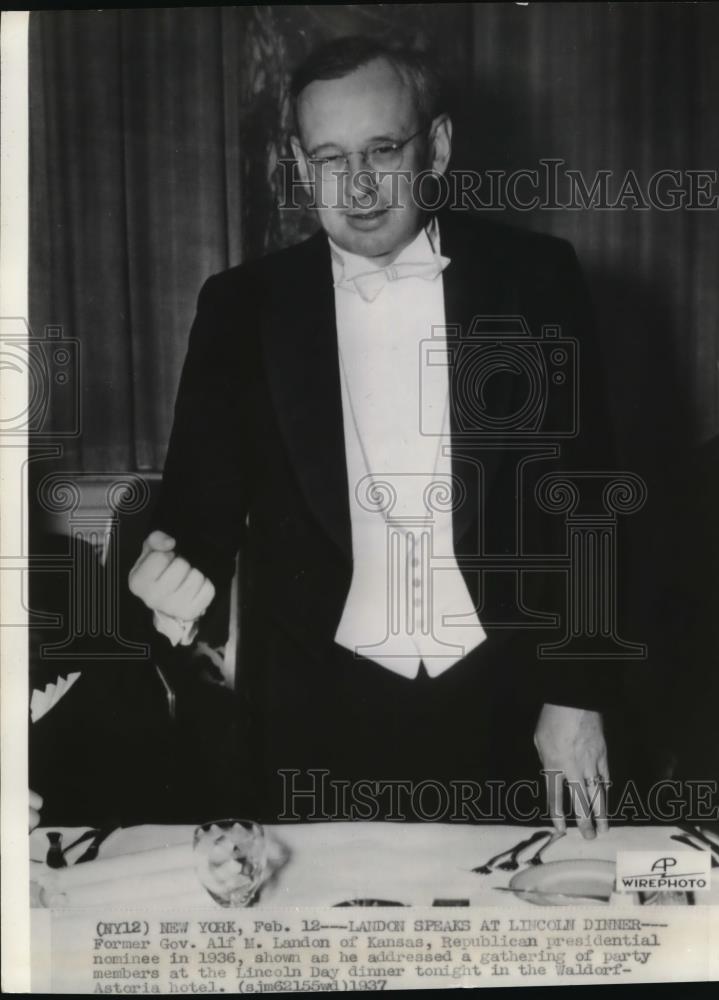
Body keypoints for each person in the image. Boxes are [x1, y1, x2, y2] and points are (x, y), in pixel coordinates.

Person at [129, 36, 615, 834]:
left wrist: (578, 692)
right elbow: (194, 520)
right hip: (315, 717)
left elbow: (589, 500)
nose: (356, 186)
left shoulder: (534, 278)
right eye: (327, 158)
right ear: (296, 160)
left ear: (438, 146)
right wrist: (168, 579)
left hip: (512, 704)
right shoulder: (240, 306)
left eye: (382, 149)